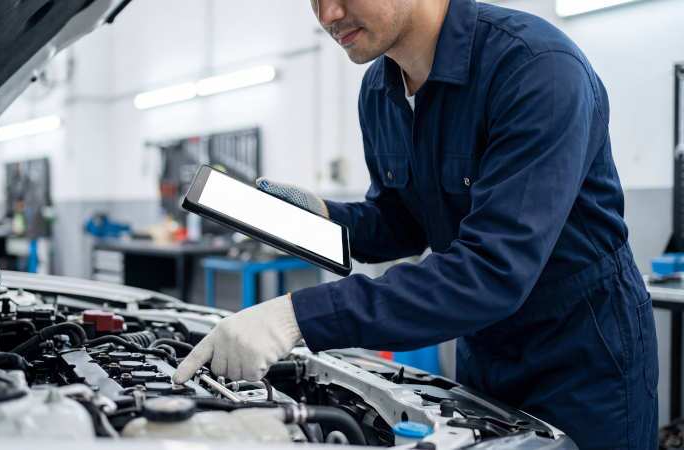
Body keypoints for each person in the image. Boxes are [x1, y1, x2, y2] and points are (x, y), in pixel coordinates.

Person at [173, 0, 659, 448]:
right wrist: (320, 216)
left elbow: (491, 270)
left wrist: (295, 317)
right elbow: (401, 224)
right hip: (483, 347)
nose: (328, 14)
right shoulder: (380, 90)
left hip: (582, 357)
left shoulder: (535, 68)